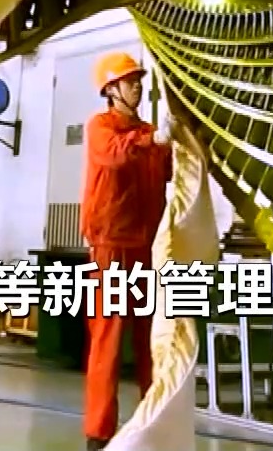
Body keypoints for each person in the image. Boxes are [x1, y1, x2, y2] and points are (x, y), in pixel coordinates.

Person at [81, 51, 174, 451]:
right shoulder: (101, 127)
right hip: (112, 246)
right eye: (130, 81)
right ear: (111, 89)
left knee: (153, 339)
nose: (137, 86)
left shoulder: (149, 133)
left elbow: (168, 171)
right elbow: (115, 155)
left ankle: (154, 421)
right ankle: (99, 432)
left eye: (139, 80)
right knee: (108, 338)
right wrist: (154, 139)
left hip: (147, 247)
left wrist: (178, 142)